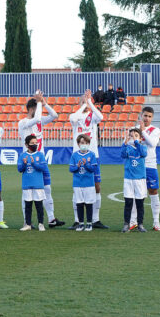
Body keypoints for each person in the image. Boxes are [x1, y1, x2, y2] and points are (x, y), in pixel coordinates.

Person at [18, 92, 65, 228]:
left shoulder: (38, 120)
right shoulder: (23, 122)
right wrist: (39, 102)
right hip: (28, 161)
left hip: (41, 160)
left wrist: (44, 104)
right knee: (27, 193)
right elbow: (38, 118)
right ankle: (27, 221)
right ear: (32, 109)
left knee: (47, 189)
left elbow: (54, 115)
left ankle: (51, 219)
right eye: (38, 107)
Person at [69, 90, 105, 229]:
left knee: (96, 186)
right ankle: (77, 220)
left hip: (93, 154)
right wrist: (83, 104)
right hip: (77, 155)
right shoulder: (75, 117)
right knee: (77, 188)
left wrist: (89, 102)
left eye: (88, 101)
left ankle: (95, 219)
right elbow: (72, 118)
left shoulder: (93, 116)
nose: (86, 103)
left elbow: (101, 117)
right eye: (82, 101)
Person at [130, 107, 160, 230]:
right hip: (136, 166)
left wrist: (143, 132)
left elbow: (152, 143)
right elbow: (126, 142)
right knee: (135, 194)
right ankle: (133, 221)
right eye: (145, 116)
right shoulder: (132, 130)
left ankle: (156, 222)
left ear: (152, 118)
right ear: (141, 116)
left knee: (153, 191)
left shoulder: (155, 130)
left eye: (149, 116)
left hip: (150, 165)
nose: (147, 118)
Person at [18, 134, 48, 232]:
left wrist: (34, 163)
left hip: (38, 184)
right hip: (27, 184)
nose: (35, 145)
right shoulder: (23, 155)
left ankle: (41, 224)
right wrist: (24, 163)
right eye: (32, 143)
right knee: (28, 205)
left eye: (36, 143)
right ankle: (28, 224)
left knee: (39, 205)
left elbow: (43, 168)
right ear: (27, 145)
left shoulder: (40, 155)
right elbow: (20, 169)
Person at [69, 134, 98, 232]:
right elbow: (71, 169)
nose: (84, 145)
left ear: (89, 144)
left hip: (89, 183)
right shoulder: (74, 155)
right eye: (82, 143)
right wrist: (77, 166)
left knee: (89, 203)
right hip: (77, 183)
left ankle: (89, 223)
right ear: (78, 144)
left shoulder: (92, 155)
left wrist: (86, 164)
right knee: (79, 203)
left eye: (86, 143)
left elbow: (93, 169)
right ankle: (81, 224)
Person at [121, 128, 148, 233]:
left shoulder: (143, 147)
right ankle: (126, 224)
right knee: (128, 202)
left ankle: (140, 224)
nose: (133, 137)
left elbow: (143, 153)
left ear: (140, 138)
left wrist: (136, 142)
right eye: (131, 135)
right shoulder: (128, 148)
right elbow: (123, 155)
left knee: (140, 203)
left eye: (136, 135)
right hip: (128, 179)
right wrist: (125, 143)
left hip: (140, 179)